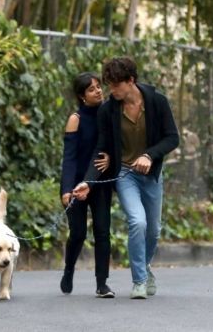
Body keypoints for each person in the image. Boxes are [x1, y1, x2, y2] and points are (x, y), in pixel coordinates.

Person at [72, 57, 179, 299]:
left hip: (151, 175)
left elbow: (172, 138)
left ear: (130, 81)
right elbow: (101, 148)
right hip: (125, 174)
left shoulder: (156, 101)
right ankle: (139, 280)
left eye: (115, 85)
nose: (110, 91)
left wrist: (150, 155)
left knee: (153, 230)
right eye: (108, 85)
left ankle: (145, 267)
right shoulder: (108, 110)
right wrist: (87, 182)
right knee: (137, 222)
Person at [59, 72, 115, 298]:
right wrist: (66, 189)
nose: (98, 91)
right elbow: (69, 157)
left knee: (102, 231)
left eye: (99, 86)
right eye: (91, 89)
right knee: (78, 233)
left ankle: (102, 284)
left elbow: (114, 145)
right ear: (82, 96)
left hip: (99, 183)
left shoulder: (109, 113)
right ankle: (69, 269)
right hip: (75, 186)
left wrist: (111, 159)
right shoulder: (76, 119)